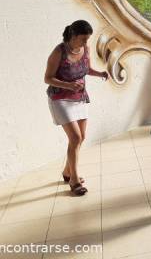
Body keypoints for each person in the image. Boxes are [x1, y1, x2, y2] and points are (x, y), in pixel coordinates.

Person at [45, 20, 108, 196]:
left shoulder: (84, 49)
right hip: (60, 99)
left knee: (80, 138)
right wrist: (68, 85)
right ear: (73, 36)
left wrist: (100, 73)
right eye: (83, 39)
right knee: (75, 137)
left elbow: (86, 69)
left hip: (79, 97)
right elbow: (48, 78)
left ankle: (67, 172)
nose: (86, 43)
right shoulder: (59, 52)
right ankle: (74, 179)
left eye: (88, 39)